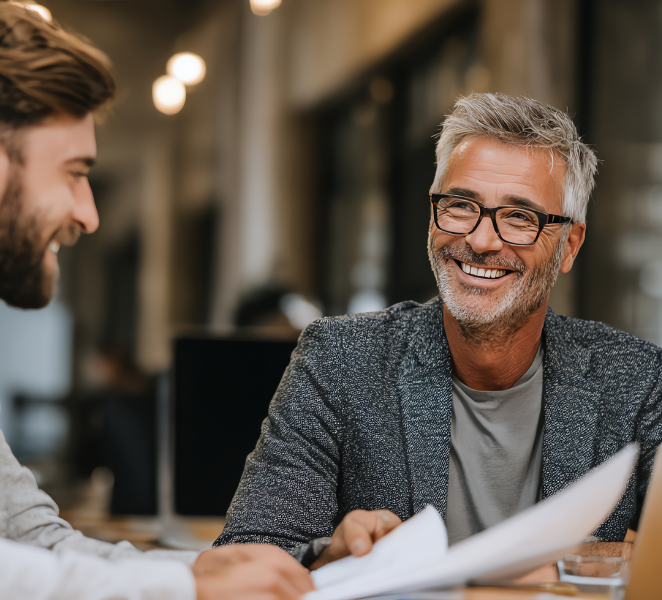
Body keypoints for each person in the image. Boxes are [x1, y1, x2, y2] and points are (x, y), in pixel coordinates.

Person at [0, 1, 314, 599]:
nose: (88, 214)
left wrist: (201, 571)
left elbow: (26, 534)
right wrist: (187, 593)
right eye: (74, 173)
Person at [215, 93, 662, 569]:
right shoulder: (340, 359)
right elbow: (244, 560)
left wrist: (561, 563)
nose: (480, 240)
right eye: (461, 205)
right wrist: (330, 557)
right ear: (432, 214)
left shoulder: (634, 378)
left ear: (569, 246)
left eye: (520, 217)